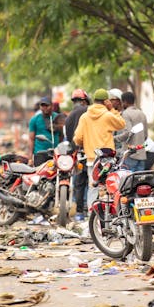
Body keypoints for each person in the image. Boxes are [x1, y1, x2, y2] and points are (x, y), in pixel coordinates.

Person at [74, 88, 125, 208]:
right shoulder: (107, 115)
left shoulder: (85, 117)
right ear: (106, 101)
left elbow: (77, 138)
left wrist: (86, 142)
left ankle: (93, 216)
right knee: (111, 187)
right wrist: (112, 109)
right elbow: (121, 124)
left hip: (92, 160)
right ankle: (112, 217)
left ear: (94, 101)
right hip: (107, 160)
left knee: (93, 188)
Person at [65, 89, 90, 221]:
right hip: (91, 152)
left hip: (77, 154)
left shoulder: (69, 116)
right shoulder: (88, 112)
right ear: (85, 100)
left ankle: (80, 212)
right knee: (93, 182)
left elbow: (69, 138)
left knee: (79, 183)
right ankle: (90, 210)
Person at [115, 91, 148, 172]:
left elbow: (127, 133)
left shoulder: (126, 114)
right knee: (139, 182)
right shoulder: (142, 113)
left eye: (122, 102)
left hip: (130, 155)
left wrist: (114, 138)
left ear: (125, 102)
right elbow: (146, 135)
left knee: (128, 181)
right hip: (141, 154)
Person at [28, 96, 60, 166]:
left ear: (51, 106)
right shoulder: (34, 119)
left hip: (56, 153)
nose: (44, 107)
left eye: (47, 105)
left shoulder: (58, 118)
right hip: (40, 153)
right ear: (40, 107)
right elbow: (31, 139)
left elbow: (62, 136)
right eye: (42, 105)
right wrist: (30, 157)